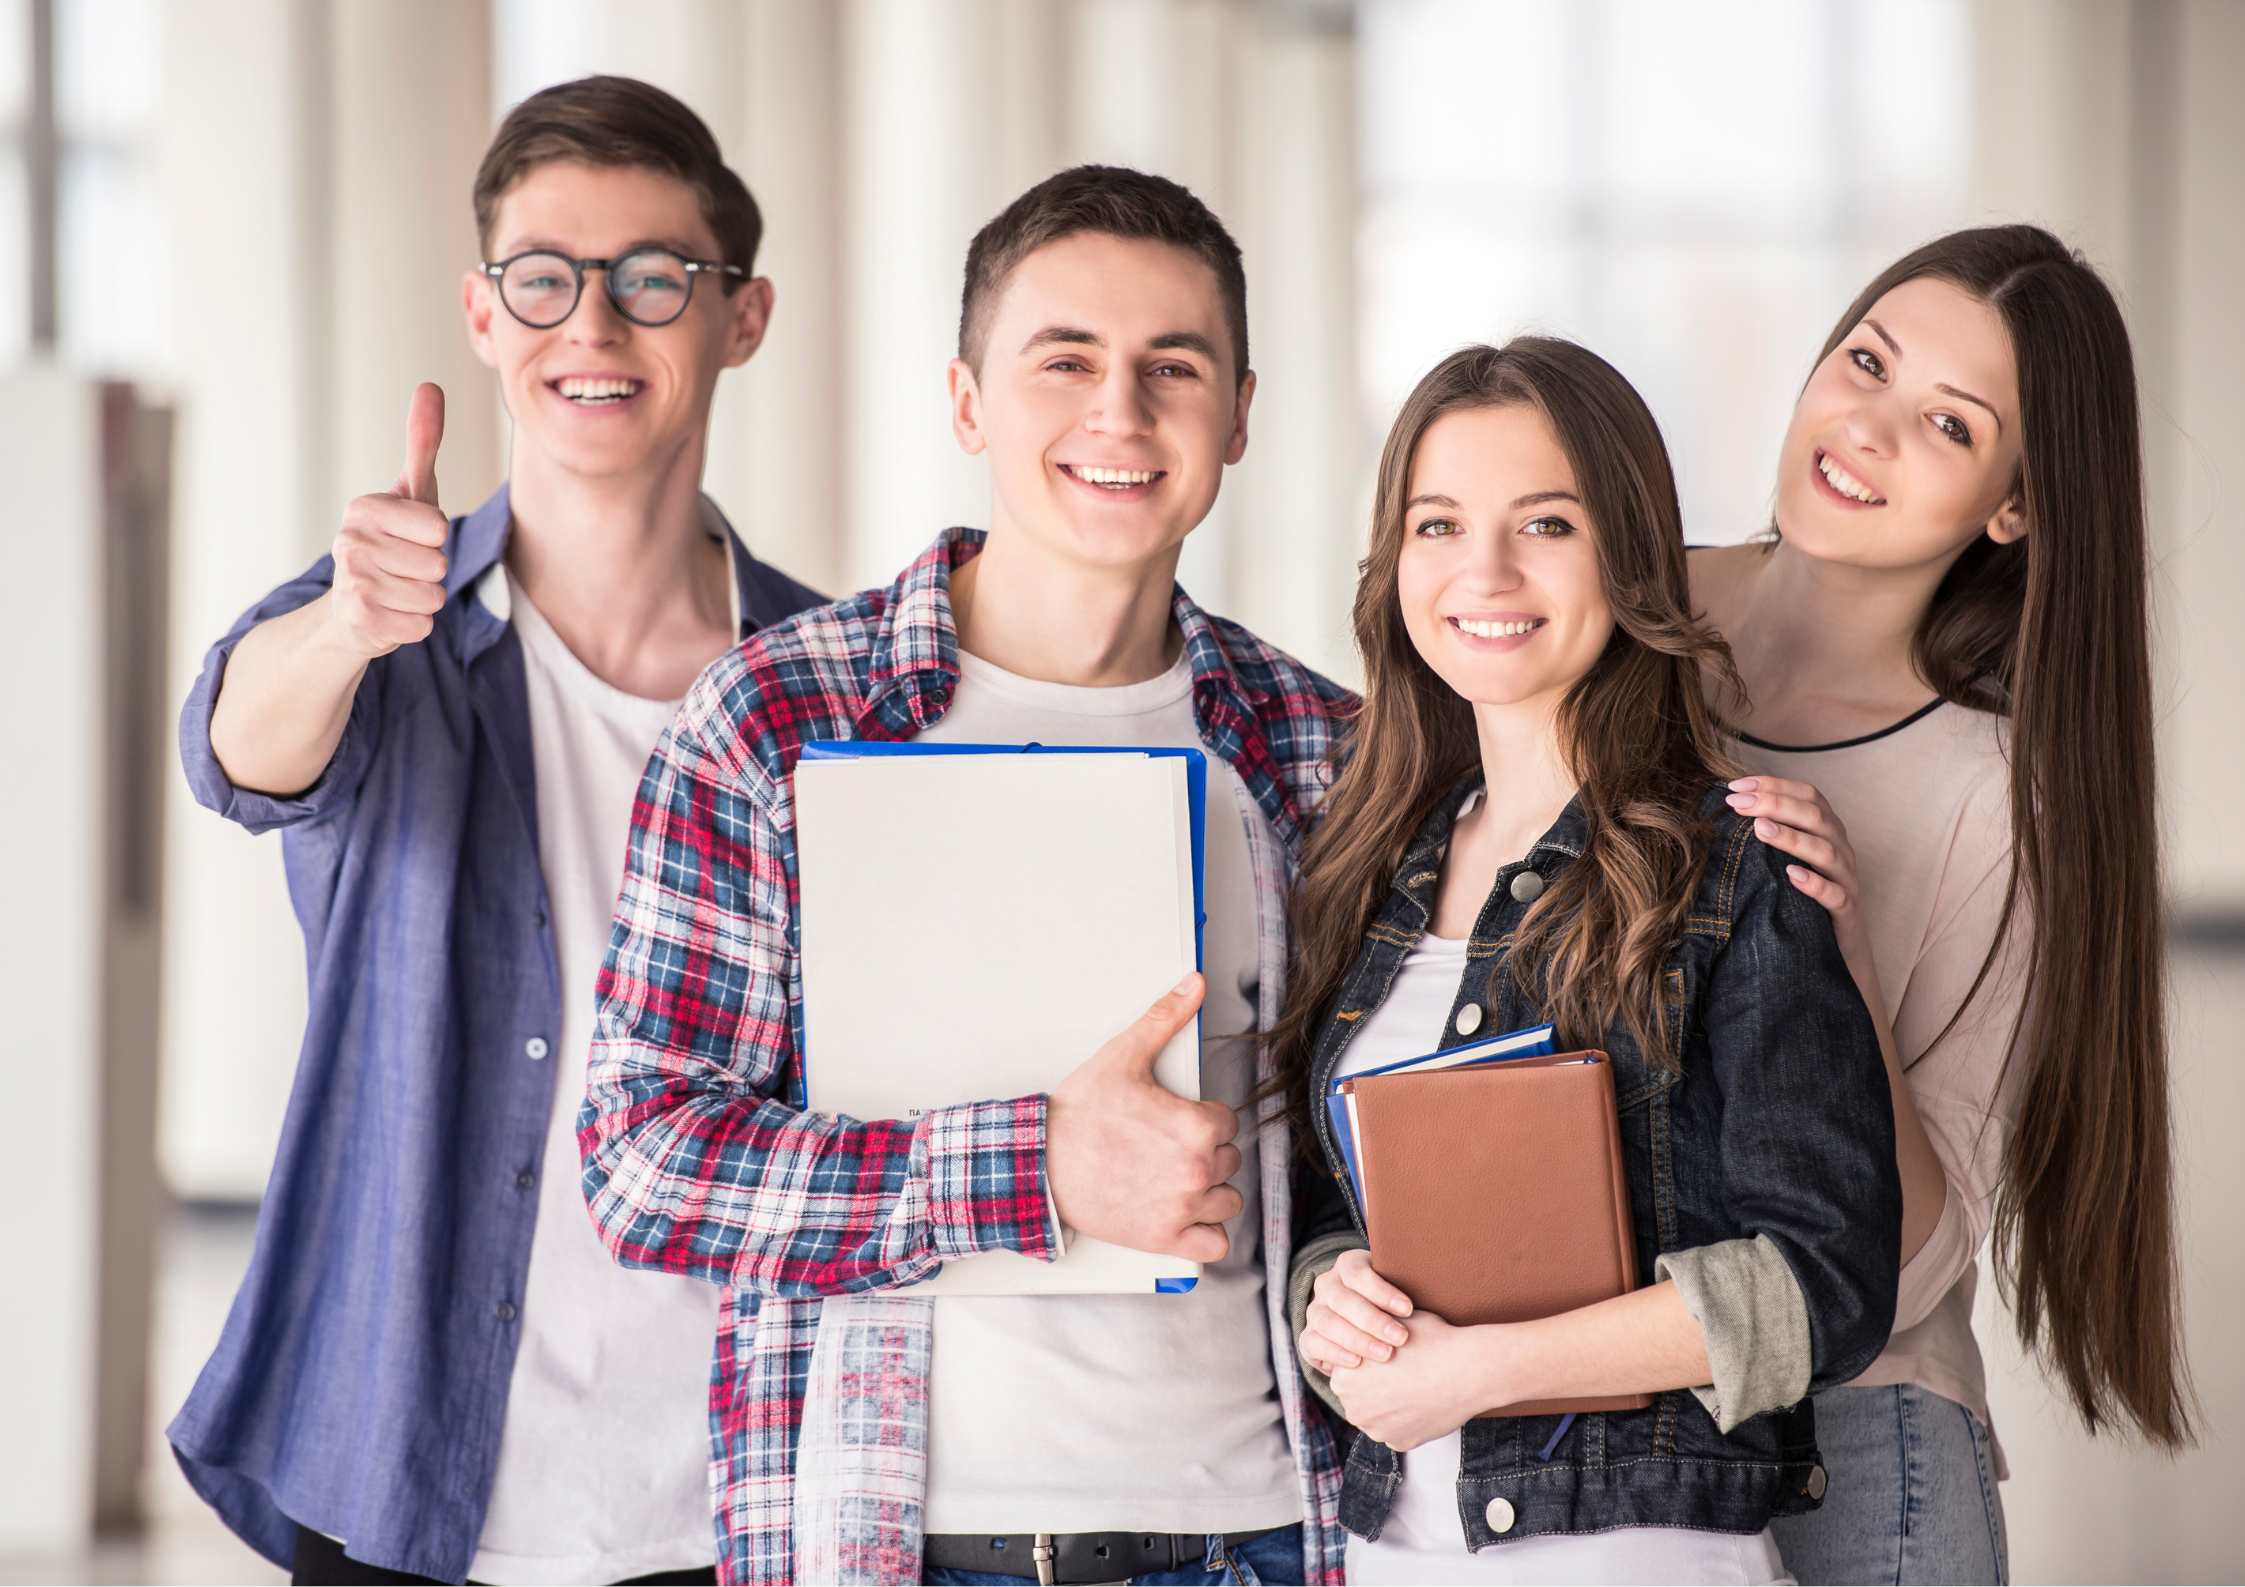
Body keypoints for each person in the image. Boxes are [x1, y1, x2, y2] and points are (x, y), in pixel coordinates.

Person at [578, 165, 1357, 1586]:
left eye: (1171, 366)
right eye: (1064, 360)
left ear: (1240, 413)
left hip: (1258, 1529)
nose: (1119, 412)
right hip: (909, 1538)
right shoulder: (778, 722)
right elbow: (643, 1162)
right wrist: (1031, 1164)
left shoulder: (1320, 746)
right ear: (967, 401)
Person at [168, 77, 823, 1586]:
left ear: (742, 316)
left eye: (653, 276)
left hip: (737, 1489)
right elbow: (236, 749)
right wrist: (343, 626)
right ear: (482, 312)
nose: (591, 323)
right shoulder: (378, 631)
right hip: (408, 1481)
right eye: (544, 277)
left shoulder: (825, 688)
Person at [1281, 338, 1904, 1584]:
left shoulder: (1731, 864)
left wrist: (1485, 1372)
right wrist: (1326, 1299)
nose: (1485, 570)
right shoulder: (1363, 869)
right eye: (1438, 523)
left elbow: (1824, 1281)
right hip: (1396, 1551)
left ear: (1625, 555)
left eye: (1545, 524)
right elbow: (1325, 1217)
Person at [1694, 225, 2194, 1584]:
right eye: (1865, 360)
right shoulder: (1619, 615)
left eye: (1947, 423)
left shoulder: (1992, 797)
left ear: (2013, 508)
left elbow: (1913, 1264)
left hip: (1853, 1448)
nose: (1864, 425)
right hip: (1576, 1425)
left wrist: (1842, 948)